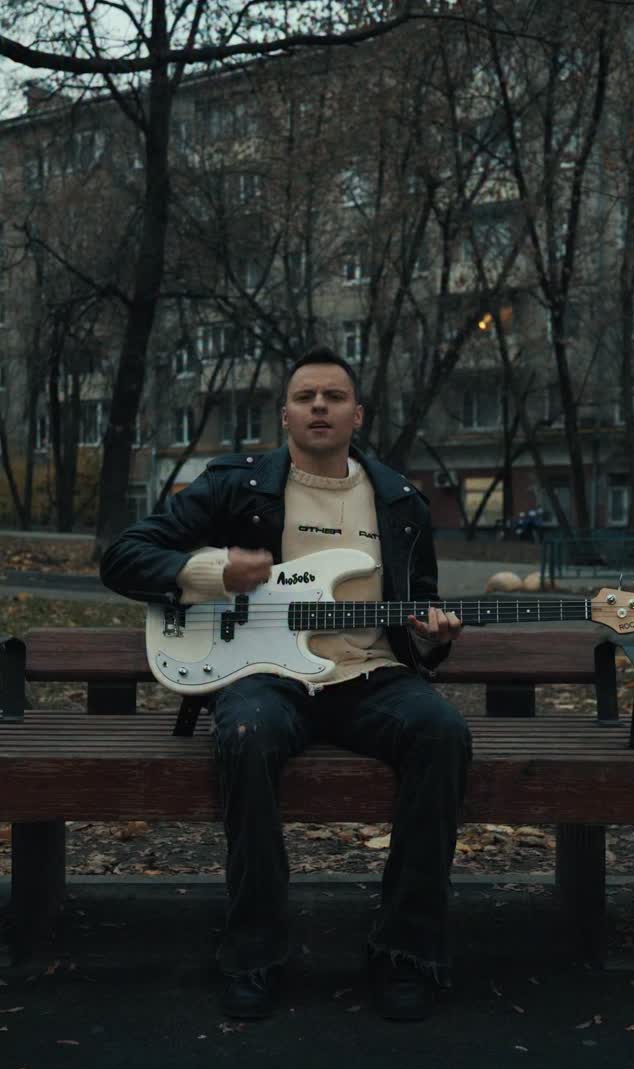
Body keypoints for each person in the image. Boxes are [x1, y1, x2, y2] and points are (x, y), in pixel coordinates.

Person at [100, 345, 471, 1022]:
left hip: (368, 676)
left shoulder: (400, 501)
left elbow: (417, 608)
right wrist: (214, 574)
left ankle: (405, 952)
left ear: (358, 415)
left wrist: (430, 635)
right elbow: (124, 556)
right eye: (306, 397)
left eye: (334, 396)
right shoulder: (235, 486)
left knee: (442, 733)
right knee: (245, 734)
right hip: (265, 678)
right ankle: (254, 952)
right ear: (286, 415)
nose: (319, 406)